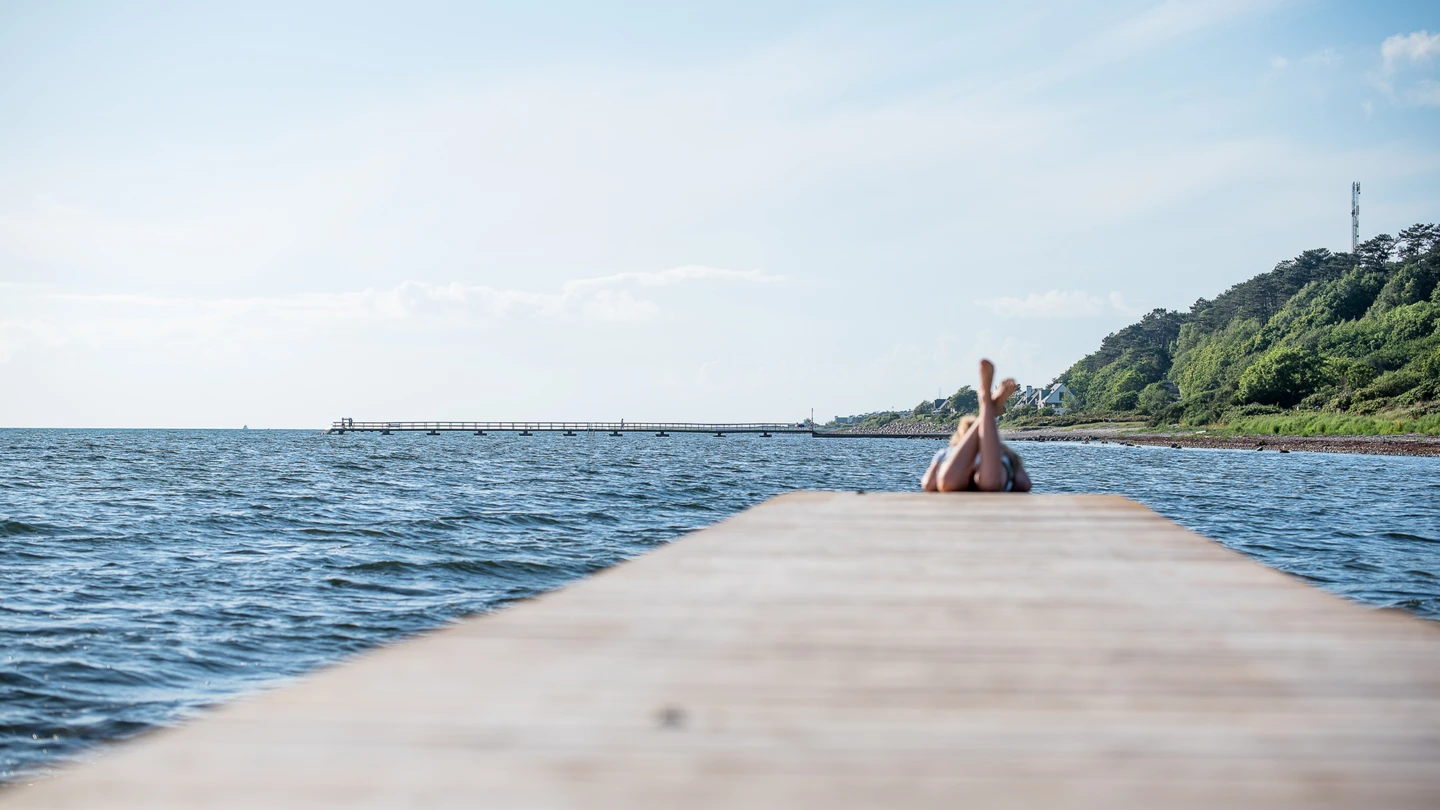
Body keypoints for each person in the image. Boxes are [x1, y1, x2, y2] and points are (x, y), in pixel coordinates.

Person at [921, 359, 1032, 493]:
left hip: (954, 474)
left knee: (948, 483)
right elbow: (1025, 484)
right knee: (991, 483)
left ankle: (986, 406)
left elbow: (928, 484)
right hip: (992, 474)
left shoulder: (947, 452)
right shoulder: (1006, 454)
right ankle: (987, 408)